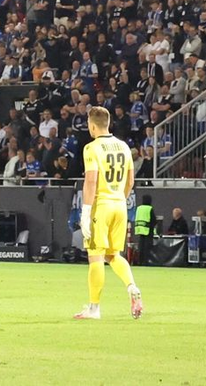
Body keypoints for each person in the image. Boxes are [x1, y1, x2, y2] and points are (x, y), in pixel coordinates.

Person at [74, 106, 143, 320]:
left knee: (95, 258)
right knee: (113, 255)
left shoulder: (91, 148)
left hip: (101, 206)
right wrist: (120, 198)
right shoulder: (124, 147)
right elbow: (130, 181)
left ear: (92, 125)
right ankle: (132, 286)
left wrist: (86, 212)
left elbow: (91, 181)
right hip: (120, 205)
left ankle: (94, 308)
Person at [133, 194, 155, 266]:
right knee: (147, 247)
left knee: (141, 247)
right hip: (147, 230)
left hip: (139, 229)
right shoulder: (149, 208)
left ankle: (140, 261)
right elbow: (153, 220)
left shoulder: (139, 208)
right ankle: (145, 262)